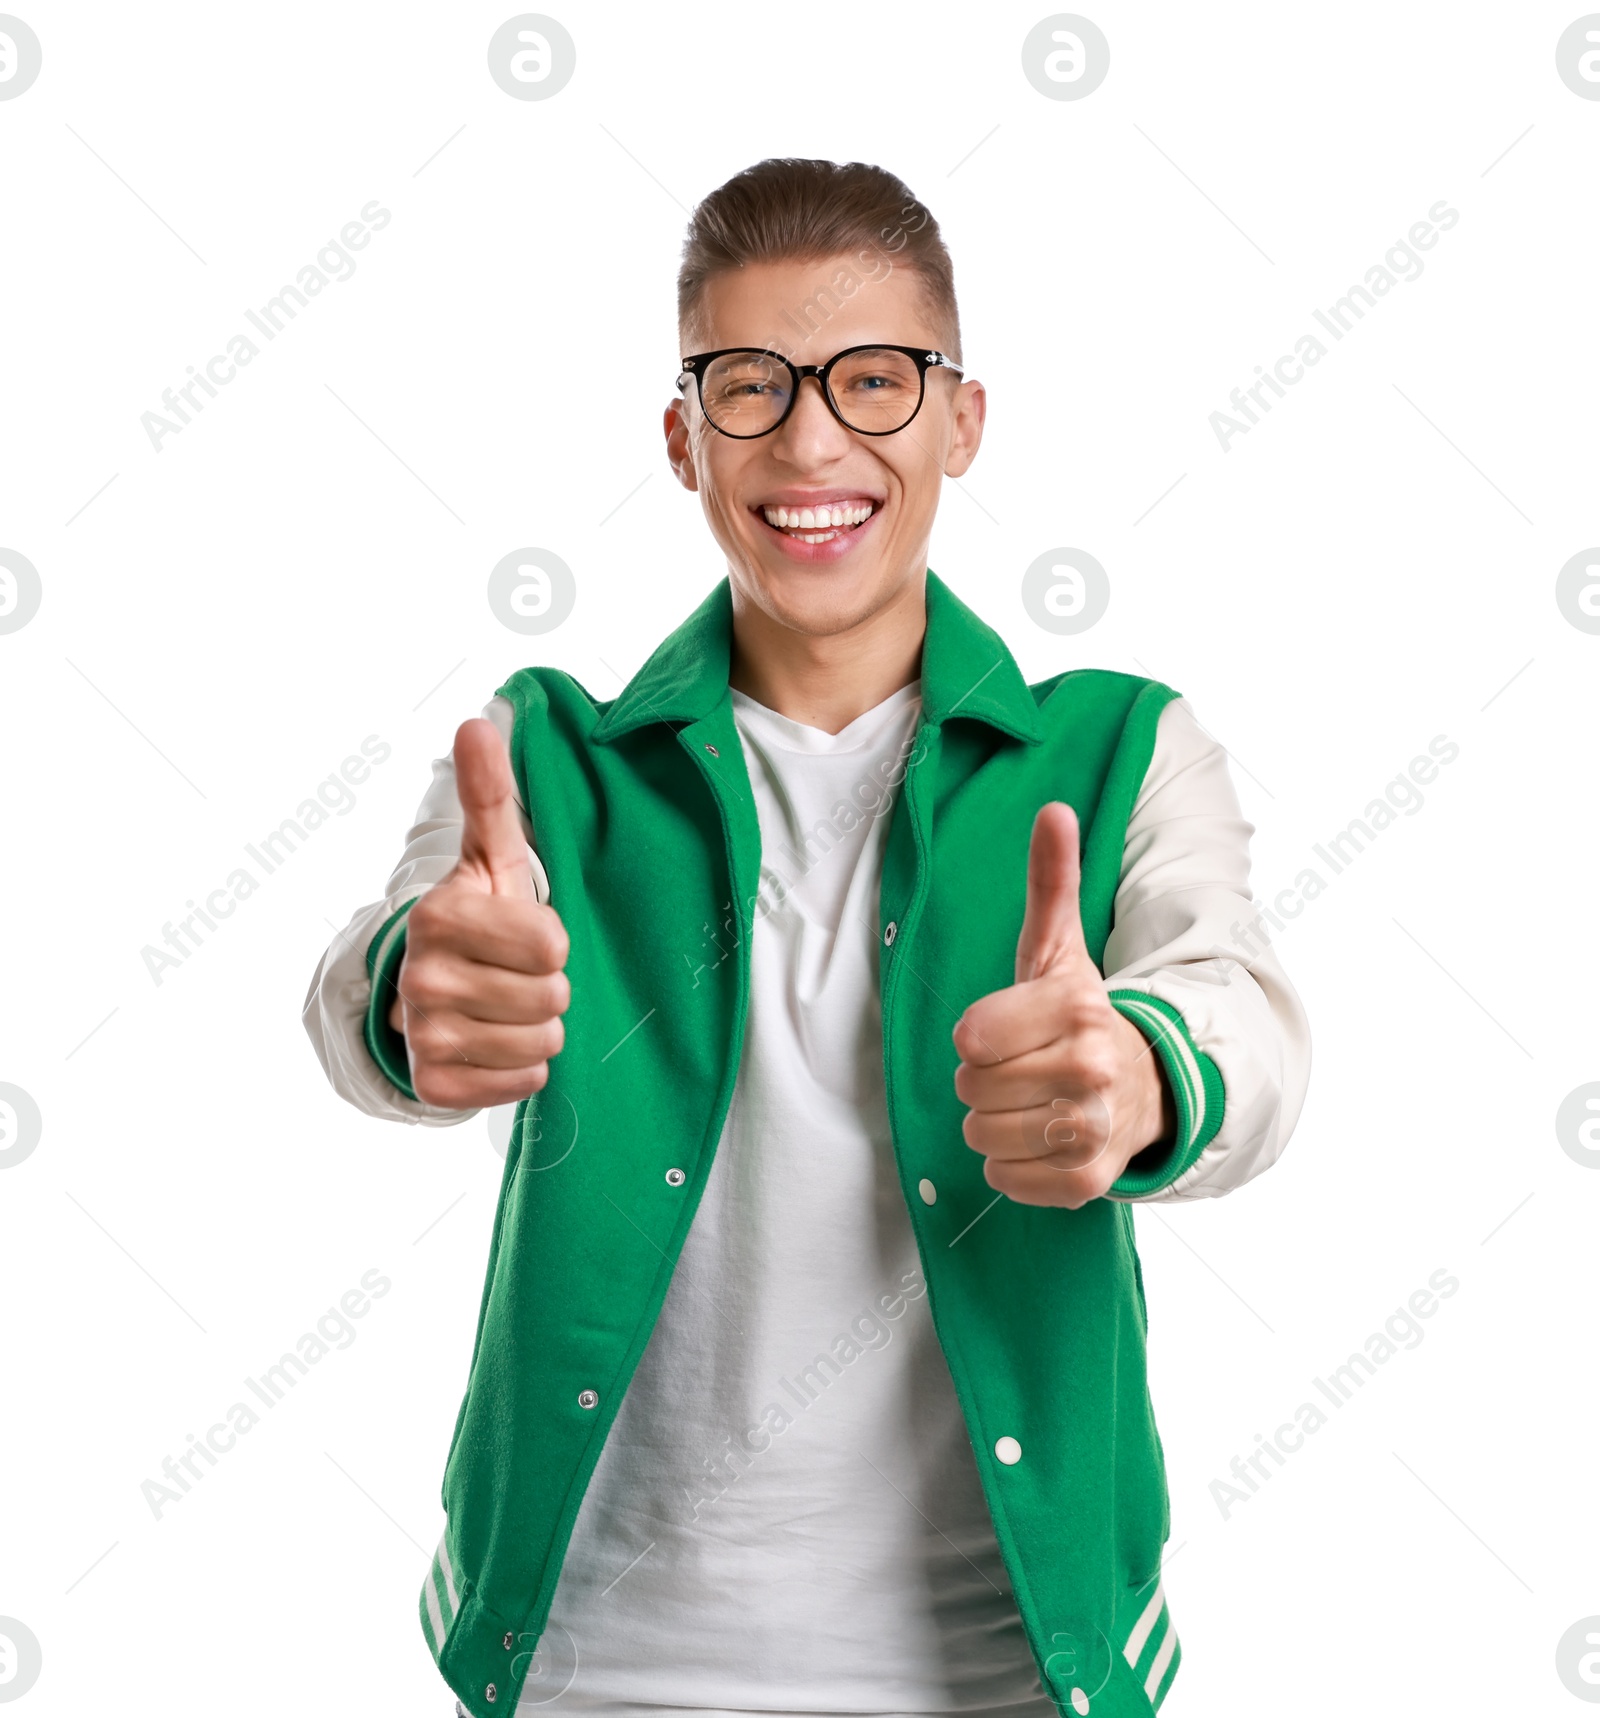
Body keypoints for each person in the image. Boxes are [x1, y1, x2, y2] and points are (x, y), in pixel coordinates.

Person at [304, 157, 1310, 1718]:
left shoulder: (1122, 749)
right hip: (591, 1661)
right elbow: (388, 964)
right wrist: (407, 998)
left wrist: (1142, 1077)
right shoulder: (544, 759)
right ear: (682, 439)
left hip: (1006, 1666)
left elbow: (1239, 1011)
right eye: (752, 384)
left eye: (875, 381)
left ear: (962, 420)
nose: (814, 438)